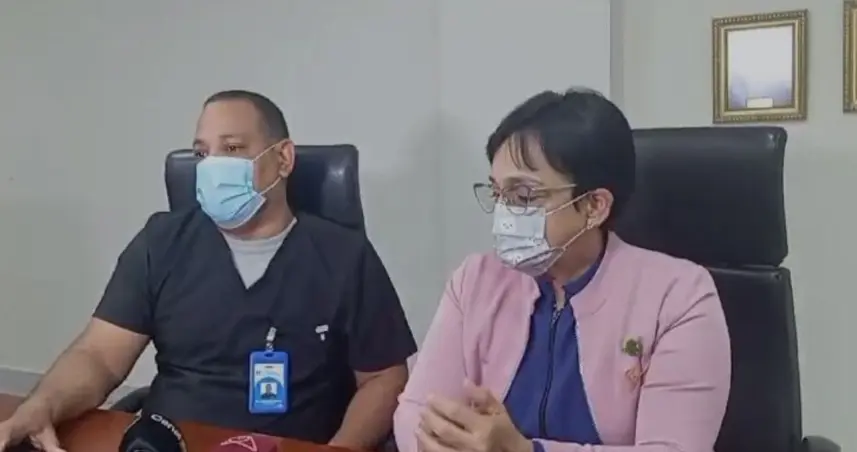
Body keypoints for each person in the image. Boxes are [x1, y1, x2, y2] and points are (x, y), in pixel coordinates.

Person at [0, 90, 416, 451]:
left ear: (283, 158)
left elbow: (383, 378)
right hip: (168, 443)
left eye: (232, 149)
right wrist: (41, 405)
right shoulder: (162, 241)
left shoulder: (343, 255)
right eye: (202, 153)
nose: (212, 165)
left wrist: (338, 450)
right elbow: (98, 356)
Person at [393, 89, 731, 452]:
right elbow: (415, 410)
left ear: (594, 206)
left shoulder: (679, 296)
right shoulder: (475, 281)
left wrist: (526, 451)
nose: (504, 214)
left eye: (524, 196)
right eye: (497, 194)